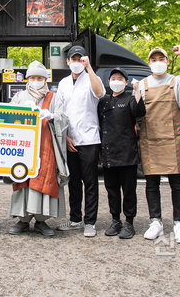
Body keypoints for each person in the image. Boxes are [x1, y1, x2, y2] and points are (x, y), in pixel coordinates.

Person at [138, 45, 180, 244]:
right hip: (150, 139)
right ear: (149, 63)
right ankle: (155, 222)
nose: (157, 62)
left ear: (167, 61)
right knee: (151, 183)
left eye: (161, 59)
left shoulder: (177, 82)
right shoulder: (142, 84)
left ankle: (179, 223)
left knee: (177, 183)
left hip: (172, 139)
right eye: (153, 59)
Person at [8, 61, 69, 236]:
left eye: (39, 78)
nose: (36, 81)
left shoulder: (53, 97)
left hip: (46, 149)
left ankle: (42, 220)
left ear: (45, 79)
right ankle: (23, 220)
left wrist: (51, 116)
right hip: (23, 149)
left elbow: (64, 118)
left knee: (45, 180)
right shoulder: (19, 97)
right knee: (23, 181)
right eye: (33, 77)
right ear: (27, 79)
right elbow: (8, 119)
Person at [56, 45, 105, 237]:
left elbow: (99, 93)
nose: (76, 62)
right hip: (70, 139)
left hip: (89, 139)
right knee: (74, 182)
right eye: (73, 59)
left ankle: (90, 222)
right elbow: (60, 111)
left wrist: (89, 68)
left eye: (80, 59)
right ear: (68, 61)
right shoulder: (63, 83)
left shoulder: (92, 78)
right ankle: (75, 219)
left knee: (90, 182)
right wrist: (66, 136)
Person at [97, 68, 145, 240]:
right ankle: (115, 220)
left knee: (129, 190)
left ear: (126, 82)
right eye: (113, 78)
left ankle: (129, 222)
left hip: (127, 154)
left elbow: (139, 112)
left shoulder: (130, 99)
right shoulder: (104, 102)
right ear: (108, 82)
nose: (116, 81)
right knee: (112, 190)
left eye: (120, 78)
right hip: (109, 153)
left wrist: (137, 90)